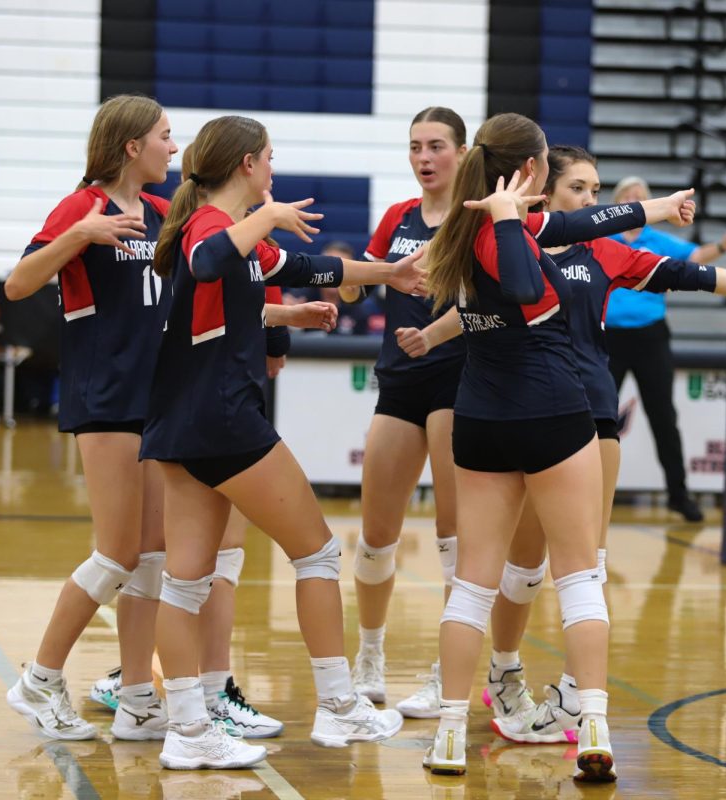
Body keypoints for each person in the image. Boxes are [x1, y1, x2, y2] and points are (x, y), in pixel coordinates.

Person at [410, 128, 726, 780]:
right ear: (533, 171)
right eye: (566, 180)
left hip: (489, 418)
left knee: (478, 584)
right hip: (550, 412)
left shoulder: (479, 235)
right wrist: (514, 221)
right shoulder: (512, 234)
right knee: (574, 577)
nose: (580, 198)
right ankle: (587, 720)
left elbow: (680, 266)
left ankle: (457, 733)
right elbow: (521, 282)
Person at [141, 114, 424, 770]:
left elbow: (307, 267)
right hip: (223, 419)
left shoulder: (234, 233)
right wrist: (265, 220)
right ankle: (338, 705)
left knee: (185, 584)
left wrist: (389, 274)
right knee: (319, 554)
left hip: (184, 423)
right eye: (267, 157)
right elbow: (209, 259)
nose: (273, 168)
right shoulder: (211, 226)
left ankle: (186, 732)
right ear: (246, 165)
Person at [2, 94, 177, 742]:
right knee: (118, 552)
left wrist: (283, 316)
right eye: (165, 135)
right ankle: (40, 677)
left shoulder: (163, 213)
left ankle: (137, 700)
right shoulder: (83, 206)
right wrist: (80, 236)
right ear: (132, 146)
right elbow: (18, 286)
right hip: (105, 395)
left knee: (152, 557)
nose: (174, 147)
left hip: (156, 397)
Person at [333, 107, 469, 719]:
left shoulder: (475, 221)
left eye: (436, 145)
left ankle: (448, 672)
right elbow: (356, 283)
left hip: (459, 380)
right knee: (375, 536)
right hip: (399, 382)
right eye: (415, 146)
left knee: (453, 538)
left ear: (461, 154)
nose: (423, 157)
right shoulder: (396, 217)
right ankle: (370, 656)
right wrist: (349, 280)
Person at [604, 175, 726, 521]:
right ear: (619, 203)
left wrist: (723, 246)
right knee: (597, 418)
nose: (636, 200)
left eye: (643, 195)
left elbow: (695, 256)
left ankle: (678, 494)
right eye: (629, 196)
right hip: (608, 338)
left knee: (663, 416)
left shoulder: (657, 240)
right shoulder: (603, 236)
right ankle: (588, 492)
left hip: (650, 337)